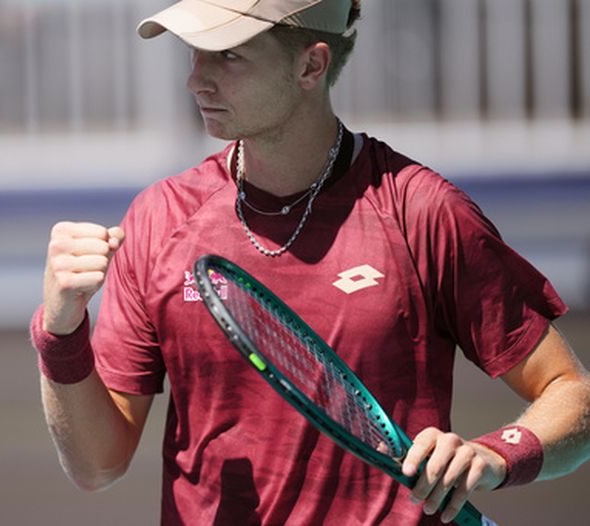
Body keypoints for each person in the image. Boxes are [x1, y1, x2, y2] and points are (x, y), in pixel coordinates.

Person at [31, 1, 590, 524]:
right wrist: (61, 331)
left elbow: (572, 394)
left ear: (310, 66)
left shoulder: (422, 211)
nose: (195, 79)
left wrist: (491, 457)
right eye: (194, 53)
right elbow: (97, 464)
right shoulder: (158, 218)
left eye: (229, 55)